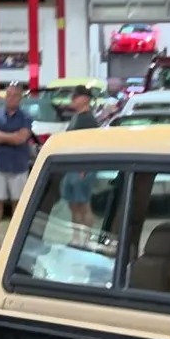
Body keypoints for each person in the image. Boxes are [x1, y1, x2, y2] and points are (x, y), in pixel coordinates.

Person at [0, 81, 35, 248]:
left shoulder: (26, 117)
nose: (11, 98)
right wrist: (11, 137)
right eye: (9, 95)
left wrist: (1, 136)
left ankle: (16, 235)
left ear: (20, 98)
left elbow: (22, 138)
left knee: (18, 202)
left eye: (15, 95)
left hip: (19, 165)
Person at [61, 86, 102, 237]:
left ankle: (86, 237)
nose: (73, 100)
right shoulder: (77, 117)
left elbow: (91, 145)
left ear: (85, 99)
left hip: (82, 168)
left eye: (76, 96)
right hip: (73, 166)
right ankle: (76, 237)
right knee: (73, 204)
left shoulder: (88, 120)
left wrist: (85, 167)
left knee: (83, 204)